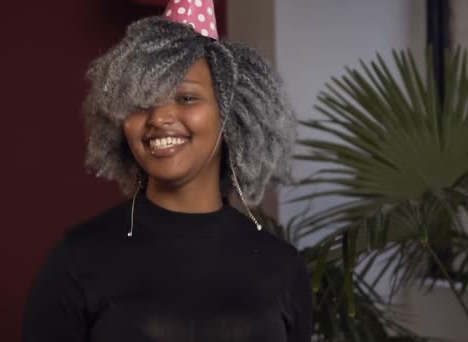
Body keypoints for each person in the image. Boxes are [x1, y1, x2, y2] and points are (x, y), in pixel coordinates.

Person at [22, 1, 312, 341]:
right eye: (141, 102)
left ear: (233, 114)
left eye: (186, 98)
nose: (159, 118)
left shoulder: (283, 267)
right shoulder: (76, 259)